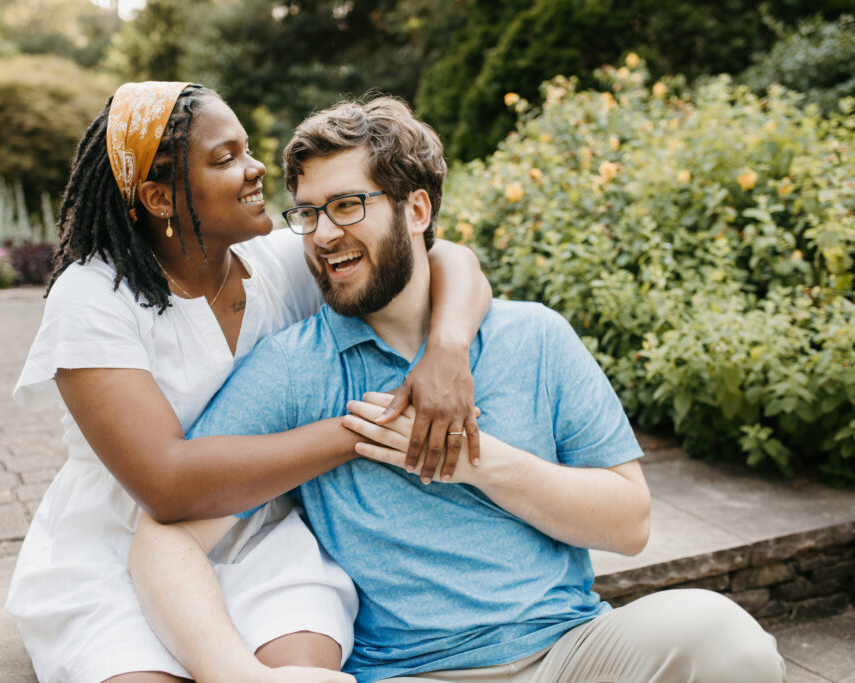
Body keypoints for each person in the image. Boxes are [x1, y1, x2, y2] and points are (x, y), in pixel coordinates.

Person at [129, 96, 787, 682]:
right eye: (307, 213)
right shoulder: (296, 367)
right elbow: (167, 538)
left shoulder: (535, 337)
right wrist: (239, 675)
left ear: (416, 209)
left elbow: (631, 521)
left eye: (347, 205)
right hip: (416, 669)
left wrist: (477, 460)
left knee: (727, 641)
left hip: (575, 650)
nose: (324, 234)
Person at [6, 82, 493, 683]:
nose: (257, 168)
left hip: (259, 535)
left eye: (246, 149)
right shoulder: (93, 298)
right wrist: (366, 431)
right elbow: (166, 484)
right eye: (225, 158)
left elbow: (446, 256)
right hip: (117, 547)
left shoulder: (276, 262)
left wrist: (447, 348)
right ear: (160, 198)